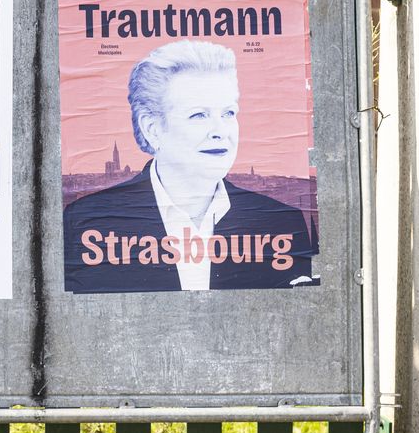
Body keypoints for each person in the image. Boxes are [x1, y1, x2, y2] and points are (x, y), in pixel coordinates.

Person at [62, 40, 317, 292]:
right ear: (152, 129)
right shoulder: (88, 223)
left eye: (228, 113)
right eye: (199, 115)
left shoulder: (282, 223)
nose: (220, 131)